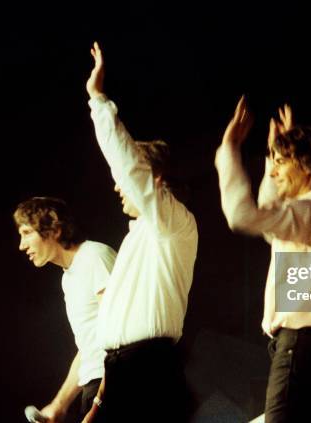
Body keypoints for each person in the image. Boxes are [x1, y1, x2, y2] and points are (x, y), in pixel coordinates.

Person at [83, 42, 198, 422]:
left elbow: (129, 170)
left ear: (156, 180)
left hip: (149, 369)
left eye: (129, 182)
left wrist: (98, 100)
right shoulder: (137, 238)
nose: (119, 187)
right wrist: (99, 402)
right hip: (121, 372)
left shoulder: (172, 224)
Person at [215, 97, 311, 422]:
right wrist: (278, 153)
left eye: (281, 163)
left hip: (299, 344)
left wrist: (228, 149)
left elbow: (244, 215)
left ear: (308, 166)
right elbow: (271, 224)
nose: (273, 171)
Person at [14, 197, 116, 423]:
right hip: (97, 388)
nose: (21, 245)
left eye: (26, 232)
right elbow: (90, 347)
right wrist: (59, 405)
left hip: (115, 388)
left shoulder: (94, 256)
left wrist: (99, 403)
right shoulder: (68, 278)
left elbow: (120, 338)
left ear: (54, 228)